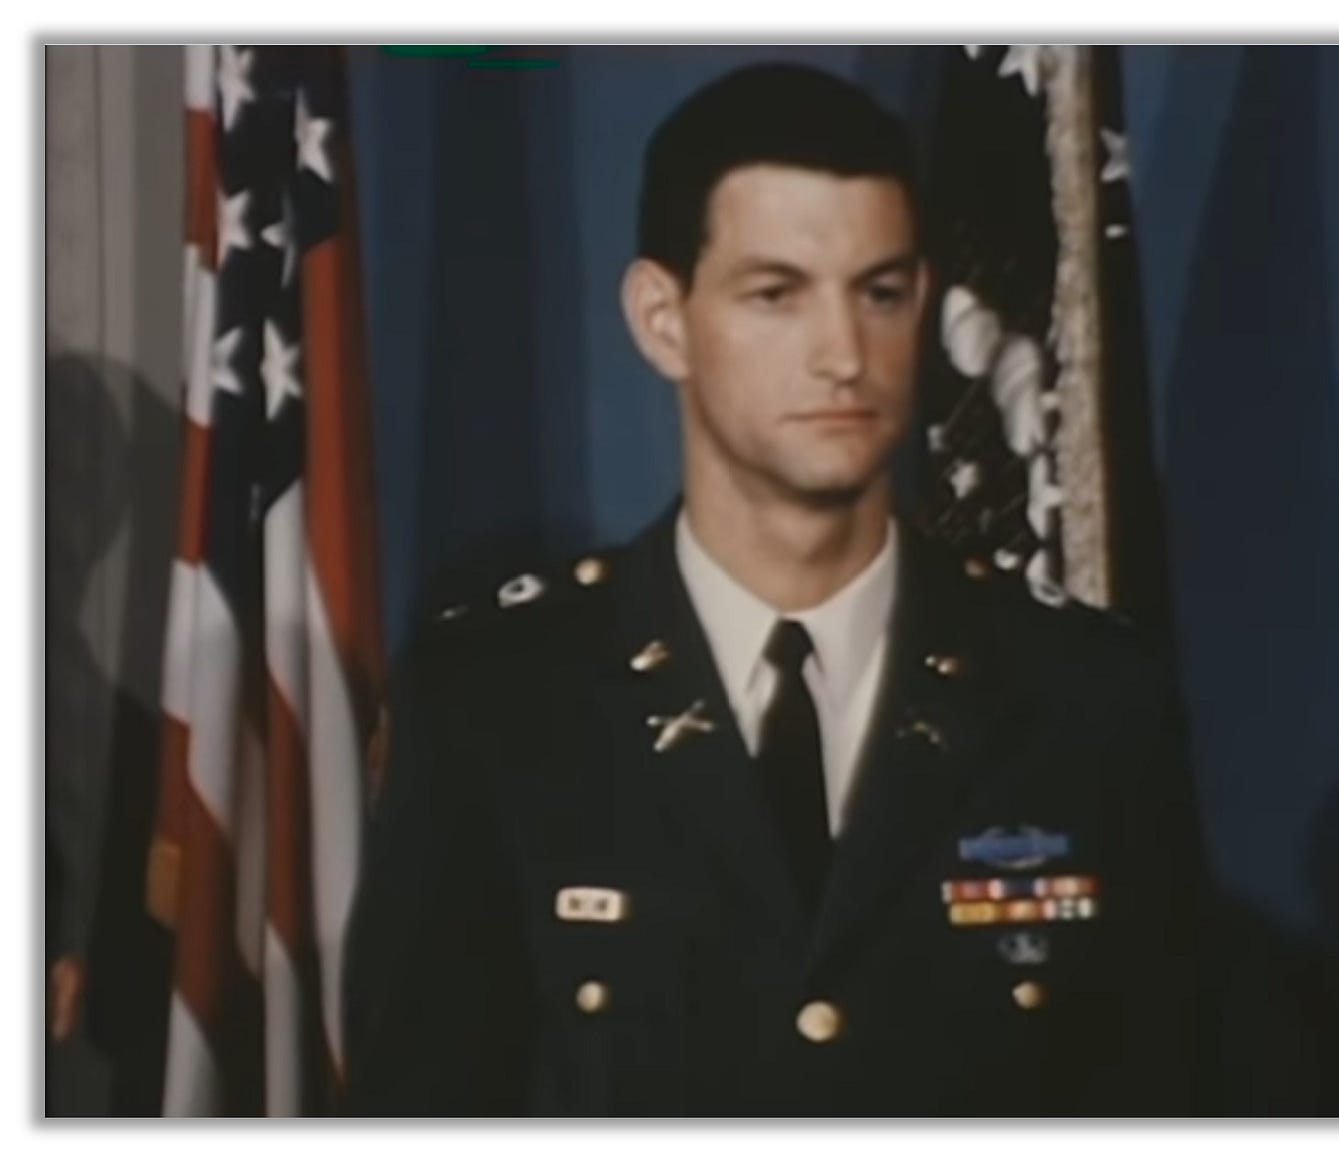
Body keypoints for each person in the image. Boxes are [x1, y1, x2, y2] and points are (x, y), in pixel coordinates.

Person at [343, 62, 1208, 1116]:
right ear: (663, 319)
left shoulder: (1082, 697)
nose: (842, 354)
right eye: (775, 295)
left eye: (879, 293)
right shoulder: (499, 706)